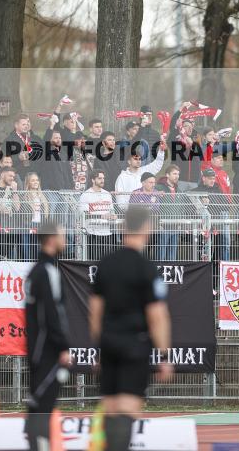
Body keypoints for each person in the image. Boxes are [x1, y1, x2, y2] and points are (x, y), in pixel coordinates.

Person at [90, 206, 174, 451]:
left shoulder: (105, 264)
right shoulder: (147, 268)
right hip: (134, 344)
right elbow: (157, 316)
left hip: (109, 343)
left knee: (110, 407)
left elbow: (94, 312)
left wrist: (99, 347)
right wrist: (165, 355)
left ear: (123, 227)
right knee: (128, 408)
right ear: (146, 229)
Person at [23, 222, 72, 451]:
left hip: (35, 348)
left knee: (37, 402)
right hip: (48, 349)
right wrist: (63, 346)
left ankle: (35, 442)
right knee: (43, 403)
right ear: (51, 239)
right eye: (62, 234)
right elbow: (53, 313)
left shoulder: (34, 271)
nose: (65, 238)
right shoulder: (47, 272)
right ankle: (38, 444)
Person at [114, 144, 166, 211]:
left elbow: (157, 165)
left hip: (148, 213)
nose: (138, 161)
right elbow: (120, 199)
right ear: (129, 161)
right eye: (135, 159)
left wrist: (161, 151)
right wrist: (131, 209)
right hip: (130, 213)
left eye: (139, 159)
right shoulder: (122, 177)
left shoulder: (144, 171)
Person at [79, 170, 117, 259]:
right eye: (99, 178)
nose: (102, 180)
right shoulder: (86, 195)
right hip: (93, 233)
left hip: (107, 233)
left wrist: (113, 216)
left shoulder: (107, 194)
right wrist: (101, 216)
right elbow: (84, 215)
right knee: (95, 260)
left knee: (107, 261)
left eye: (103, 178)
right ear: (93, 180)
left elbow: (111, 210)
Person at [20, 172, 50, 260]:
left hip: (39, 225)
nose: (36, 182)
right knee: (26, 250)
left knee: (38, 249)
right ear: (28, 182)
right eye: (33, 180)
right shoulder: (24, 196)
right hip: (27, 225)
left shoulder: (43, 196)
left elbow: (46, 213)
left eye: (37, 180)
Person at [156, 165, 182, 260]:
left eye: (178, 174)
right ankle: (159, 273)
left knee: (172, 256)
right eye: (174, 174)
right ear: (167, 175)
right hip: (163, 226)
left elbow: (182, 208)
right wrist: (157, 222)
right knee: (161, 255)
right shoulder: (158, 188)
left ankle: (171, 274)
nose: (177, 176)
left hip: (175, 226)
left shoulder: (179, 190)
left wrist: (180, 223)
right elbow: (154, 208)